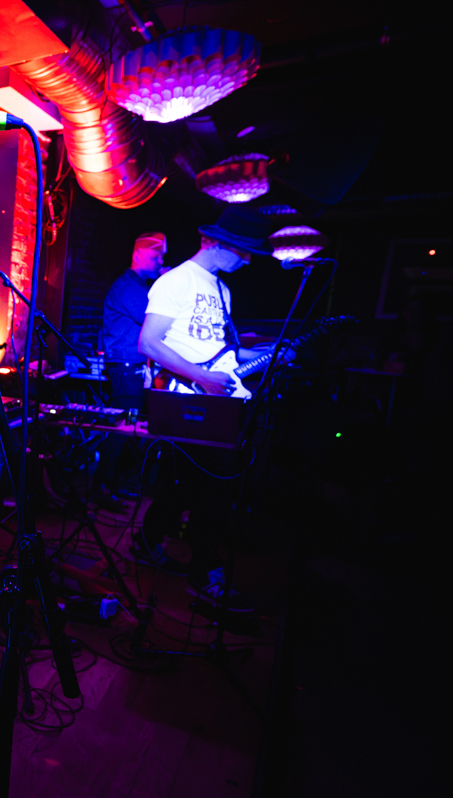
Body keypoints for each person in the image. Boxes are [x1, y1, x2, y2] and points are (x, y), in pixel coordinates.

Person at [136, 206, 272, 611]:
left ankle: (147, 542)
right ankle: (204, 573)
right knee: (212, 489)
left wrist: (267, 353)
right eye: (242, 251)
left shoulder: (222, 290)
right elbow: (149, 342)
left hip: (215, 402)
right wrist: (200, 377)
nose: (247, 260)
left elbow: (220, 349)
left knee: (184, 485)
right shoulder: (176, 281)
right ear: (213, 242)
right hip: (189, 402)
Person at [94, 232, 166, 502]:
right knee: (123, 428)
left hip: (131, 366)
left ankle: (112, 483)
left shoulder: (137, 287)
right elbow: (156, 321)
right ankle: (100, 488)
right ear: (137, 255)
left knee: (129, 428)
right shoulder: (128, 287)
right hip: (126, 368)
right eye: (155, 256)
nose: (161, 261)